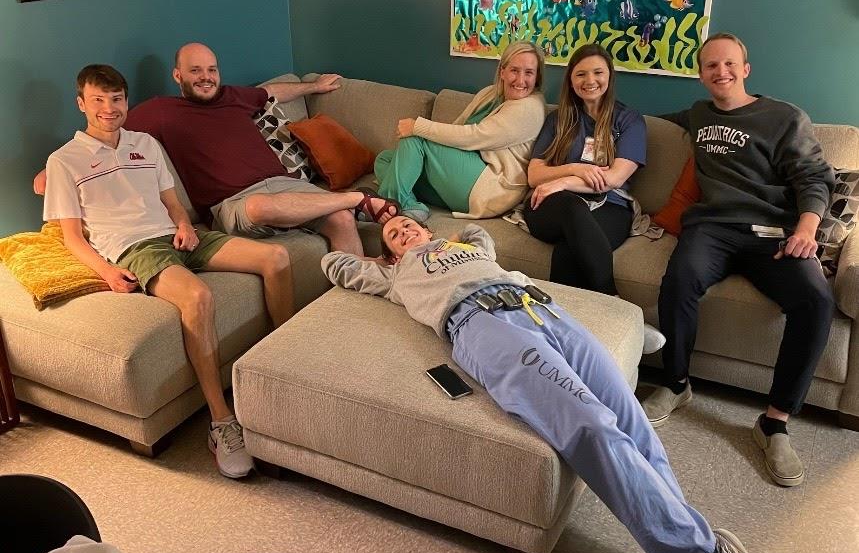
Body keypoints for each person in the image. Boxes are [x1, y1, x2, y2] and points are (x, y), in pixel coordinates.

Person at [323, 215, 782, 553]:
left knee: (632, 421)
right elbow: (336, 266)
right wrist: (366, 234)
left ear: (426, 228)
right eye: (394, 235)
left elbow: (479, 233)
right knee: (591, 425)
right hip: (483, 328)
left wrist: (440, 236)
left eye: (407, 224)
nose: (403, 230)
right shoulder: (393, 274)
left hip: (541, 308)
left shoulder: (468, 248)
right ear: (390, 252)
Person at [43, 65, 295, 479]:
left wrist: (182, 224)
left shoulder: (145, 143)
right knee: (198, 297)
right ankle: (221, 421)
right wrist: (106, 272)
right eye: (99, 100)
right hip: (135, 249)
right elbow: (71, 237)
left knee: (277, 259)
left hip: (178, 236)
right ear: (81, 104)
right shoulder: (64, 161)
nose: (110, 108)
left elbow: (171, 200)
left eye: (117, 98)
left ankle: (281, 368)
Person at [641, 33, 835, 488]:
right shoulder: (699, 114)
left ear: (746, 68)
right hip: (712, 228)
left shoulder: (786, 118)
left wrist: (807, 229)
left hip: (775, 233)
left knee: (815, 300)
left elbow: (814, 178)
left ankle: (774, 422)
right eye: (710, 66)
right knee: (680, 278)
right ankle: (676, 382)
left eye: (729, 64)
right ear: (701, 73)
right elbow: (646, 123)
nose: (720, 72)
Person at [35, 43, 399, 254]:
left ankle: (355, 297)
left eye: (211, 69)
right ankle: (356, 199)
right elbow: (104, 127)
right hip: (235, 204)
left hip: (288, 187)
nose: (206, 77)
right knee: (260, 206)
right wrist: (52, 175)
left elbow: (273, 92)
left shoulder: (232, 96)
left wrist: (313, 87)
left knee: (338, 218)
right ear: (178, 76)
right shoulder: (158, 111)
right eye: (195, 71)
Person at [523, 43, 663, 352]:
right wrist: (575, 169)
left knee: (568, 252)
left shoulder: (629, 121)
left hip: (610, 206)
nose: (590, 80)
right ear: (571, 80)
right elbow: (534, 175)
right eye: (581, 74)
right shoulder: (558, 119)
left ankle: (560, 340)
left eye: (598, 72)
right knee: (572, 208)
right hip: (549, 207)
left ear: (610, 76)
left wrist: (563, 181)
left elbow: (612, 179)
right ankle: (617, 309)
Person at [374, 41, 546, 221]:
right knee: (384, 159)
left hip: (489, 187)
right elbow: (459, 128)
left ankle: (386, 208)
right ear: (502, 71)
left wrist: (418, 126)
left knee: (415, 139)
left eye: (529, 73)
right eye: (514, 70)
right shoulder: (490, 93)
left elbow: (475, 136)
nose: (520, 80)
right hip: (460, 175)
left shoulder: (530, 108)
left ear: (537, 78)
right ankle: (411, 205)